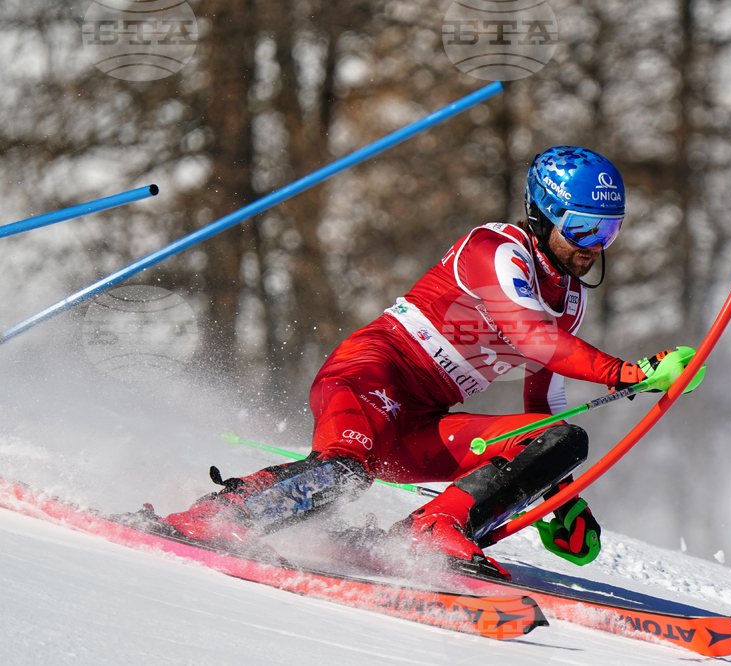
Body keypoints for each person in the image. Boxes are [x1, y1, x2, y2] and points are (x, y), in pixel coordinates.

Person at [161, 146, 701, 578]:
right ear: (542, 214)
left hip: (422, 421)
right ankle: (215, 516)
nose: (593, 247)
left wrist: (557, 495)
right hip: (373, 374)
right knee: (345, 472)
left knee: (563, 439)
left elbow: (544, 402)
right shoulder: (495, 248)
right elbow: (531, 339)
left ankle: (430, 531)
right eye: (583, 229)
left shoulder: (571, 299)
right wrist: (632, 373)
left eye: (609, 231)